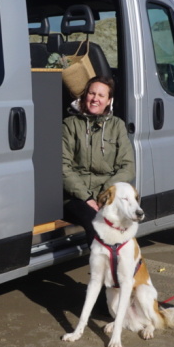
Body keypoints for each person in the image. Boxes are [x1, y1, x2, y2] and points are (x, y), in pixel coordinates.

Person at [61, 75, 136, 244]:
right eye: (91, 93)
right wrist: (87, 198)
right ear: (85, 95)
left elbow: (128, 167)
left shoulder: (117, 126)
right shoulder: (70, 125)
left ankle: (116, 266)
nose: (95, 99)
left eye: (101, 95)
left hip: (106, 194)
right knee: (97, 222)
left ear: (109, 100)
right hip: (77, 197)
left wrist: (104, 195)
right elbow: (63, 167)